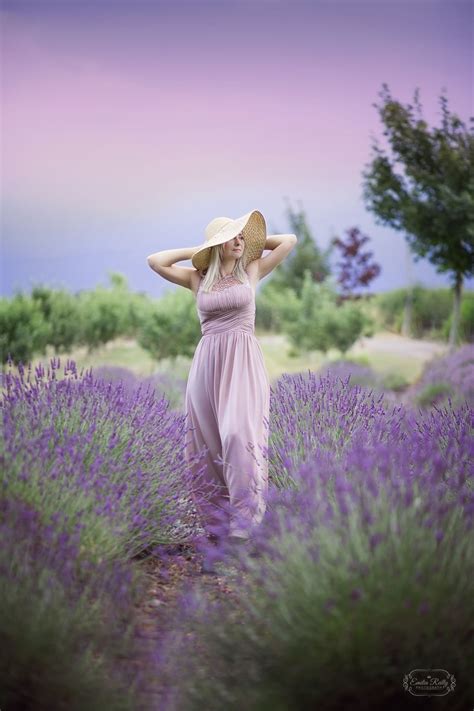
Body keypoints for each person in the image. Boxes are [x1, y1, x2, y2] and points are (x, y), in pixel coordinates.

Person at [147, 209, 297, 572]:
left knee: (237, 435)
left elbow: (288, 242)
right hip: (208, 363)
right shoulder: (198, 279)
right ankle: (217, 530)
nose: (240, 241)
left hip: (242, 360)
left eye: (242, 237)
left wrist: (251, 244)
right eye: (232, 237)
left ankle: (244, 528)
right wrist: (202, 248)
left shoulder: (252, 270)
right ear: (215, 245)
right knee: (205, 444)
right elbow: (156, 261)